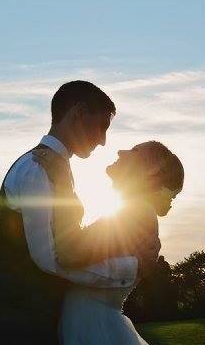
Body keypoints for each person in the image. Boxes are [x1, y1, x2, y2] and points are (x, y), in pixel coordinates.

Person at [0, 81, 159, 345]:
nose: (103, 139)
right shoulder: (35, 169)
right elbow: (51, 258)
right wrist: (132, 268)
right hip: (19, 324)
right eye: (102, 126)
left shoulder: (56, 168)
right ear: (79, 112)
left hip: (41, 320)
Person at [59, 141, 184, 344]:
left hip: (93, 328)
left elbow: (69, 252)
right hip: (91, 321)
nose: (120, 151)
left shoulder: (137, 211)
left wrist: (55, 179)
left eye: (134, 151)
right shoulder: (134, 210)